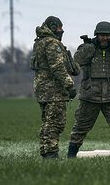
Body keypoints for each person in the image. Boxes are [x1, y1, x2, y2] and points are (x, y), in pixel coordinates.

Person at [68, 21, 110, 157]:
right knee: (80, 128)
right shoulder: (87, 47)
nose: (105, 38)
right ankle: (71, 156)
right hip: (90, 96)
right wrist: (88, 48)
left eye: (108, 35)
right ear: (96, 35)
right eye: (102, 35)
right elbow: (76, 61)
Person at [32, 15, 79, 159]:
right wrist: (69, 85)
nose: (62, 30)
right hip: (53, 91)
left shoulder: (39, 42)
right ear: (52, 27)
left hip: (42, 90)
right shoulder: (52, 43)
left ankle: (46, 152)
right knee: (55, 123)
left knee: (47, 122)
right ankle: (51, 155)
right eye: (59, 27)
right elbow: (57, 67)